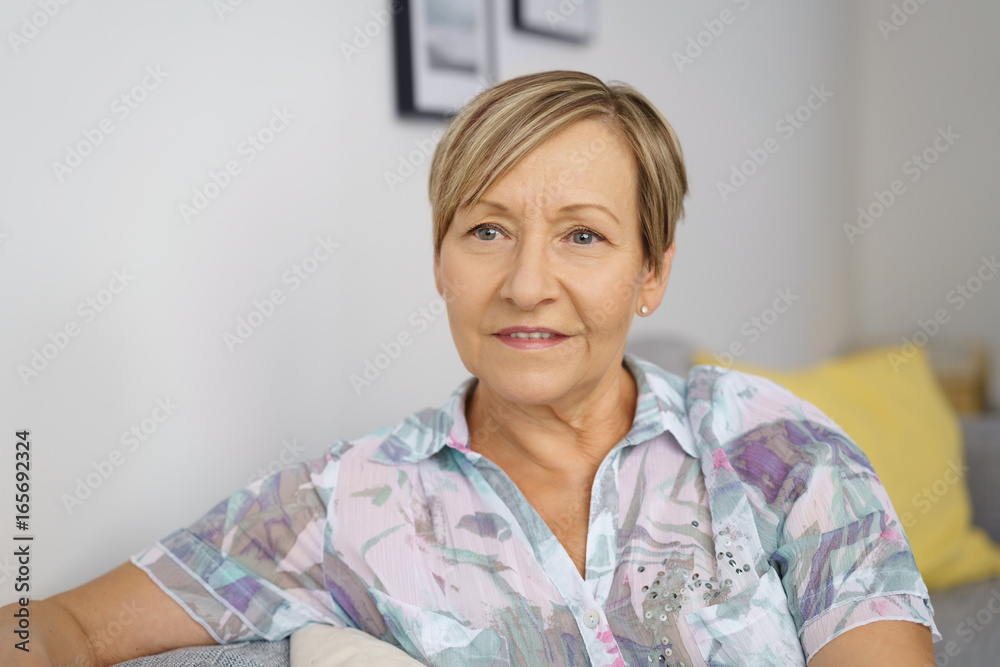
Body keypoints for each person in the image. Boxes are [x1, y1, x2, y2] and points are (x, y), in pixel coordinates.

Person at [3, 70, 939, 667]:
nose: (527, 284)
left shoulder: (776, 447)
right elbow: (56, 626)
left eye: (583, 235)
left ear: (651, 272)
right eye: (487, 230)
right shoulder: (341, 502)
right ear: (440, 263)